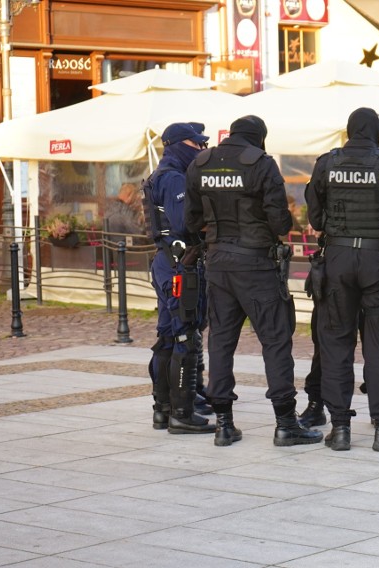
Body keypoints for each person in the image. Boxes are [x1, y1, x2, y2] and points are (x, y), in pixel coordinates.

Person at [184, 115, 323, 448]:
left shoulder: (200, 163)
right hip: (256, 265)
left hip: (218, 264)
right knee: (275, 341)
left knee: (220, 341)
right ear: (259, 137)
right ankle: (286, 424)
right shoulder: (261, 163)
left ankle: (224, 424)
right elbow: (279, 221)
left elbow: (191, 220)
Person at [304, 107, 379, 452]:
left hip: (337, 260)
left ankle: (340, 428)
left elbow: (314, 215)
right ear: (376, 133)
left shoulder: (326, 163)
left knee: (336, 345)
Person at [143, 122, 215, 435]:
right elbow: (184, 224)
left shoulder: (163, 174)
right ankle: (181, 413)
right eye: (196, 144)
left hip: (168, 261)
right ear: (177, 144)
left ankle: (164, 408)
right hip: (177, 263)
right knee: (183, 336)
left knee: (169, 336)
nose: (200, 149)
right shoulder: (173, 178)